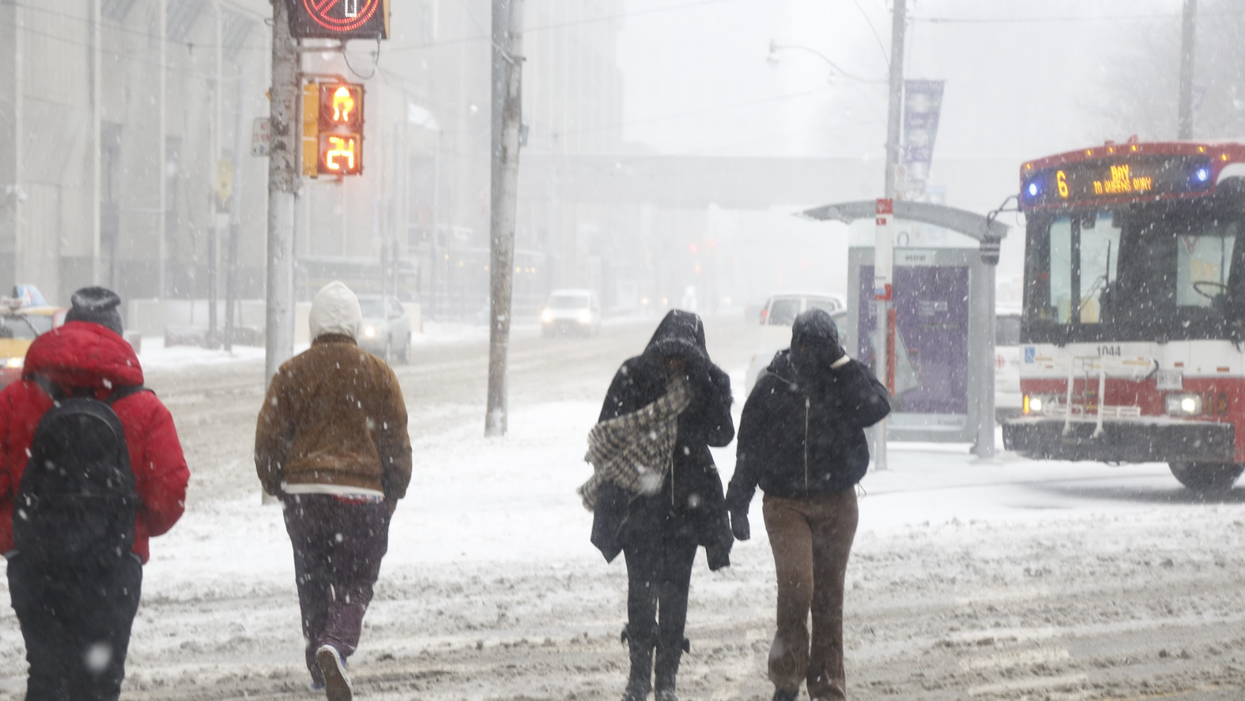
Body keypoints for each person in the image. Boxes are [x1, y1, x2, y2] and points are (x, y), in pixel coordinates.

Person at [0, 286, 190, 701]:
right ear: (118, 338)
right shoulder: (145, 409)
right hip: (113, 564)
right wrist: (130, 527)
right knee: (100, 682)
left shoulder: (14, 399)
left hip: (34, 562)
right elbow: (168, 494)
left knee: (47, 674)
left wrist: (15, 532)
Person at [255, 280, 412, 701]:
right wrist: (393, 491)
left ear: (314, 324)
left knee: (311, 578)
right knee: (356, 579)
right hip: (361, 497)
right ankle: (336, 647)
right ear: (357, 325)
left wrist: (277, 484)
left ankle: (319, 666)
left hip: (305, 494)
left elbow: (269, 439)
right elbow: (395, 441)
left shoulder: (290, 373)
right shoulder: (379, 374)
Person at [727, 308, 890, 701]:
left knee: (829, 598)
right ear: (795, 342)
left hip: (838, 502)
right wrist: (738, 502)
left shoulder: (844, 379)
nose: (812, 353)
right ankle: (787, 681)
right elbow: (748, 448)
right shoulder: (772, 384)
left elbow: (877, 406)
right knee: (798, 588)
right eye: (806, 344)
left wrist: (843, 363)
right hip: (785, 503)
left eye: (822, 345)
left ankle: (828, 685)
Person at [589, 310, 734, 701]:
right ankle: (639, 679)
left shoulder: (706, 382)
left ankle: (666, 680)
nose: (674, 364)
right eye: (669, 356)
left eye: (683, 358)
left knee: (675, 593)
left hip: (687, 509)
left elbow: (722, 433)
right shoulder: (634, 375)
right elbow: (606, 429)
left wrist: (703, 383)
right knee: (641, 591)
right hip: (640, 505)